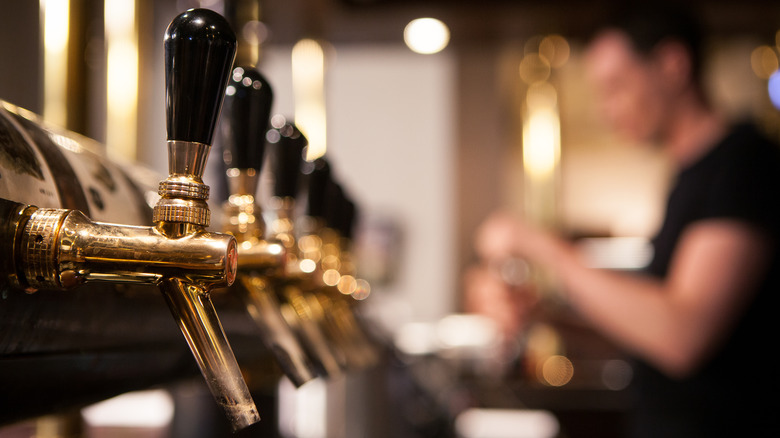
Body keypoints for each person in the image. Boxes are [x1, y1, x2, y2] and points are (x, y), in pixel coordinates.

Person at [472, 5, 780, 437]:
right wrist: (545, 316)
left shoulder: (744, 165)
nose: (606, 110)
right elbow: (646, 335)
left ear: (673, 65)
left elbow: (682, 336)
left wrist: (542, 245)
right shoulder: (689, 177)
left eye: (616, 86)